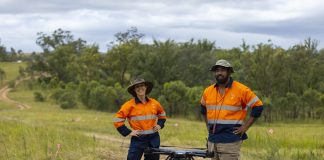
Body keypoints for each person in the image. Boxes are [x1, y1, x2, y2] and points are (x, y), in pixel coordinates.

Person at [200, 59, 263, 160]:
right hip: (212, 141)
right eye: (217, 70)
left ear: (229, 72)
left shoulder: (241, 90)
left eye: (222, 70)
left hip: (230, 141)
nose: (219, 73)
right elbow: (203, 109)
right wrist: (208, 126)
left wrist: (245, 127)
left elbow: (258, 107)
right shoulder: (208, 91)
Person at [113, 78, 167, 160]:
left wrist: (160, 125)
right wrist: (128, 132)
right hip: (138, 139)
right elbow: (117, 120)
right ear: (134, 90)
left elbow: (162, 115)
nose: (140, 88)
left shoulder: (154, 103)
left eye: (142, 85)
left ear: (146, 87)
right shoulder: (129, 105)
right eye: (137, 87)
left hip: (153, 139)